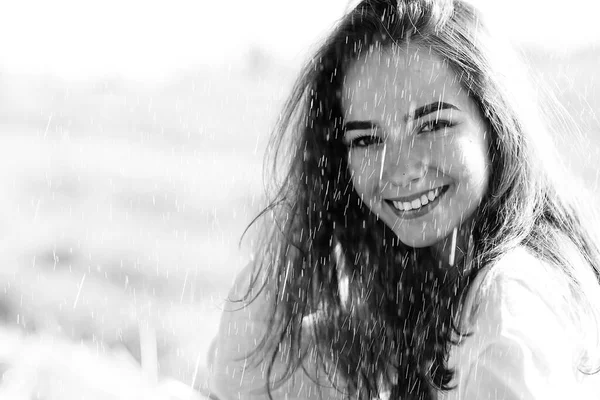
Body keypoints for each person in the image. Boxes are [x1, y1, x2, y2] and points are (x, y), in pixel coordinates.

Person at [207, 0, 600, 399]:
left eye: (432, 125)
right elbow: (246, 379)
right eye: (367, 139)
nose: (398, 168)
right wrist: (314, 205)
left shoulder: (509, 308)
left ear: (494, 124)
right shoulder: (428, 287)